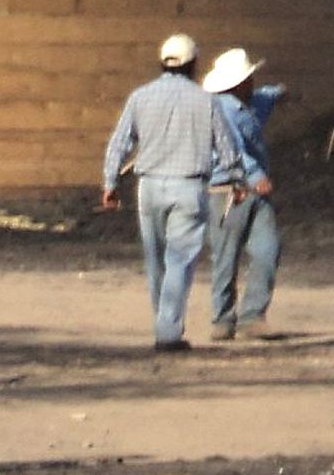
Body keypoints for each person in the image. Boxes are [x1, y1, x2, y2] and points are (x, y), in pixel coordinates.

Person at [102, 33, 246, 352]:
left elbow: (120, 142)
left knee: (156, 260)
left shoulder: (140, 97)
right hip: (189, 187)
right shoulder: (205, 100)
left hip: (149, 187)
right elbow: (226, 145)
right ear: (194, 65)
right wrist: (237, 180)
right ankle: (168, 332)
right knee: (179, 260)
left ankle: (164, 324)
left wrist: (110, 183)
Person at [202, 47, 285, 342]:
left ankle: (252, 316)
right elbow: (232, 150)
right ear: (238, 84)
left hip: (248, 191)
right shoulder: (222, 110)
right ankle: (223, 318)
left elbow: (260, 101)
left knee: (267, 248)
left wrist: (275, 93)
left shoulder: (242, 104)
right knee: (226, 257)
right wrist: (256, 175)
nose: (252, 84)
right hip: (228, 189)